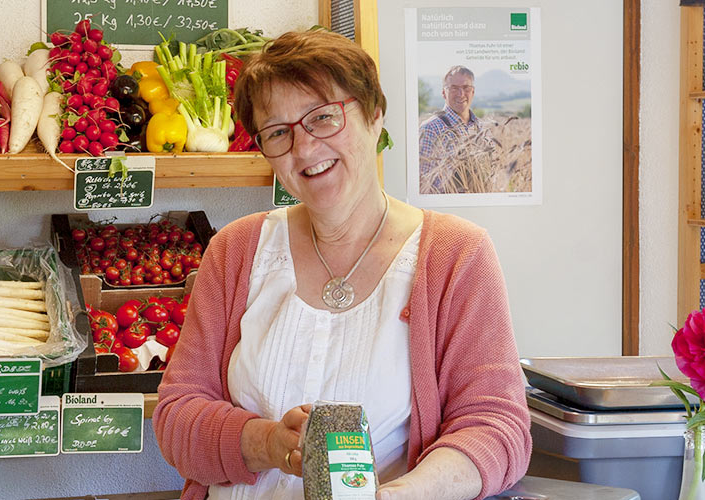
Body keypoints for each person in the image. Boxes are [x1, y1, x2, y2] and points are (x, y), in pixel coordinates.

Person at [153, 30, 531, 500]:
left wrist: (400, 496)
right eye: (278, 133)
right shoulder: (237, 250)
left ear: (374, 115)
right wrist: (268, 443)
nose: (305, 149)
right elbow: (176, 415)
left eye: (325, 117)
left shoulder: (456, 254)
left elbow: (497, 427)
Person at [418, 65, 497, 194]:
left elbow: (491, 173)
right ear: (444, 93)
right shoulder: (430, 129)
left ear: (473, 92)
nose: (461, 94)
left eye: (466, 88)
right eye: (454, 88)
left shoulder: (482, 130)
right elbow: (422, 184)